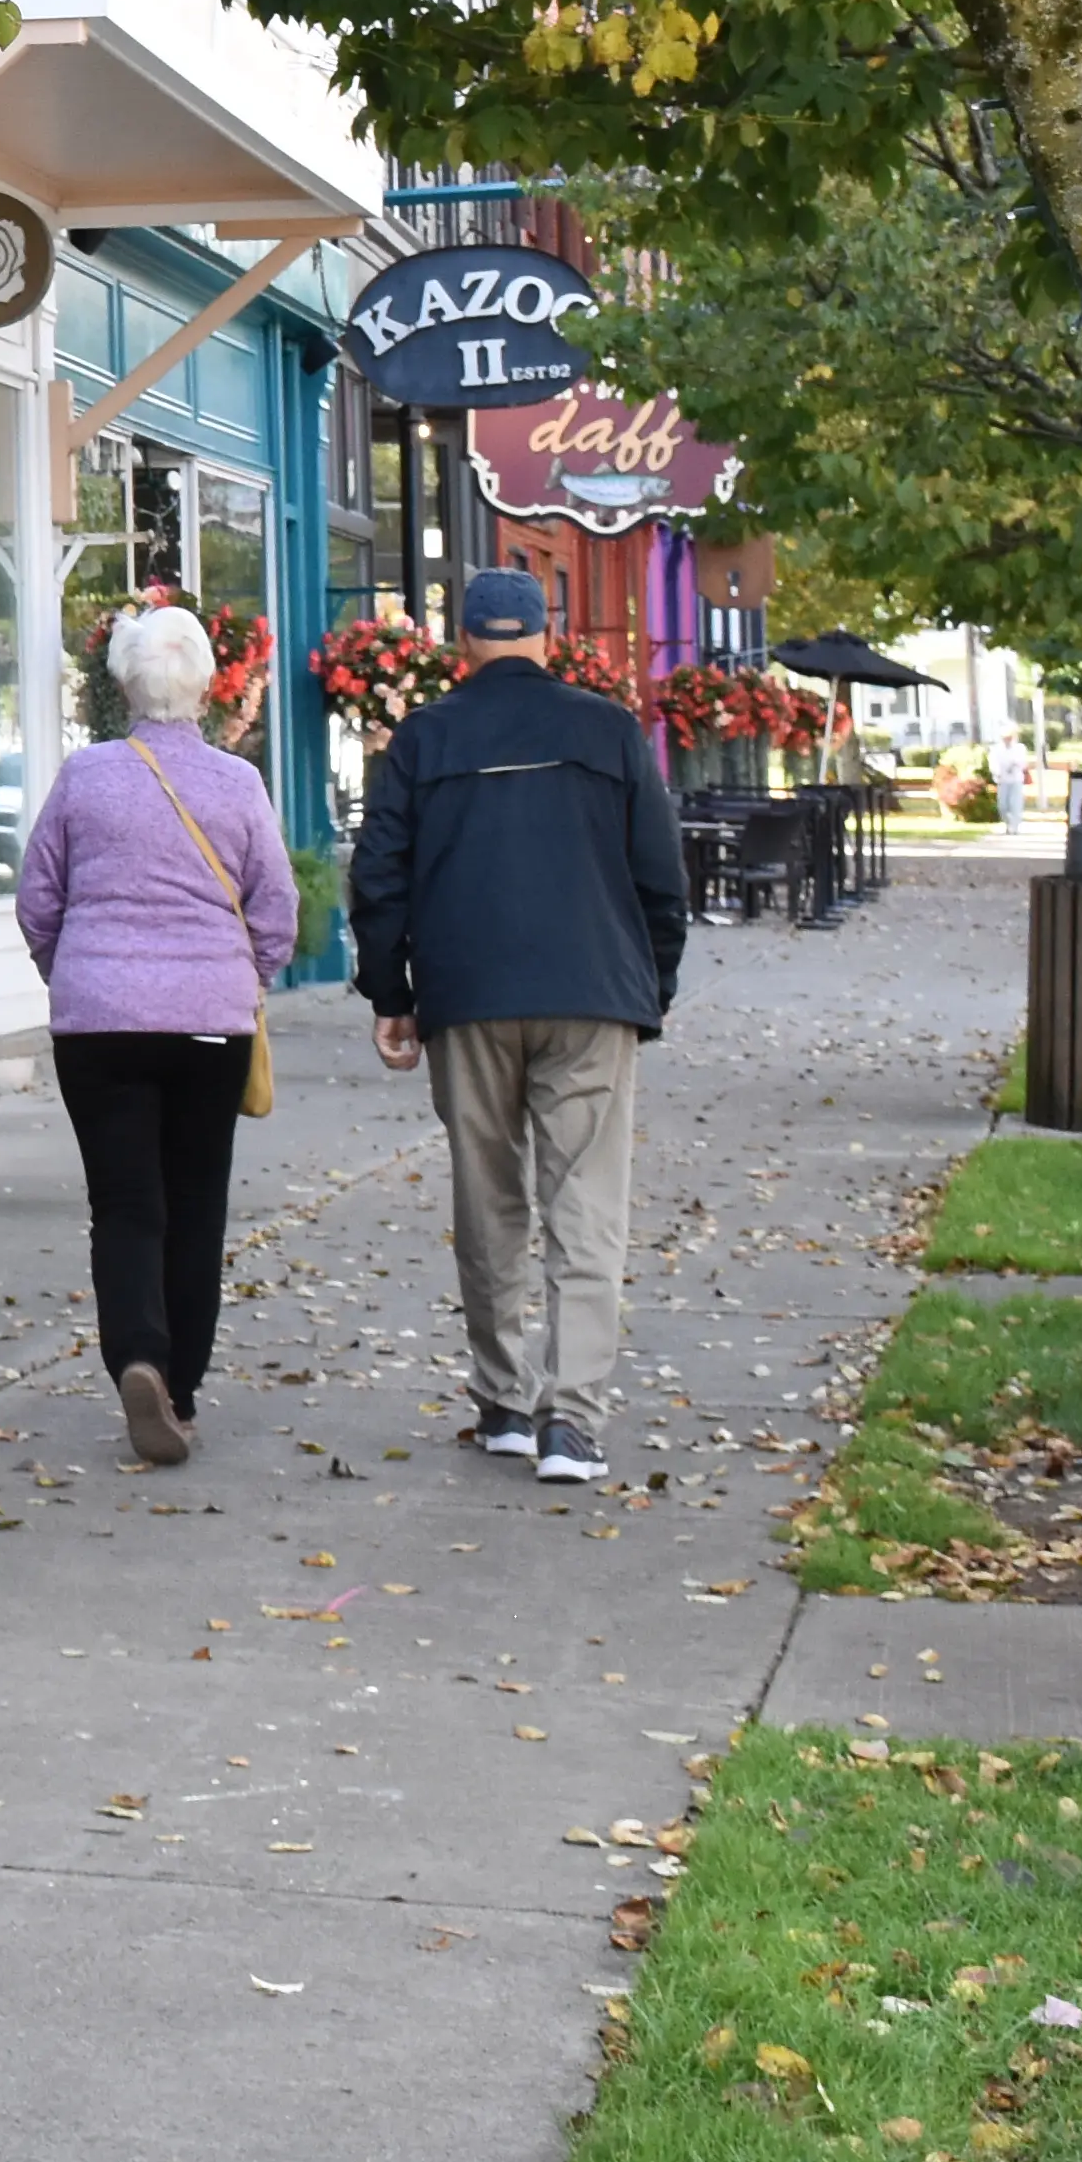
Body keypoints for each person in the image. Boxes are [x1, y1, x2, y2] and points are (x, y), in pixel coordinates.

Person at [347, 564, 685, 1485]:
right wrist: (653, 983)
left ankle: (501, 1401)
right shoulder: (611, 730)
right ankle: (570, 1421)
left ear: (466, 644)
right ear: (547, 637)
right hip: (592, 992)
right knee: (586, 1204)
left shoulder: (424, 737)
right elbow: (662, 876)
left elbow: (379, 876)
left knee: (488, 1197)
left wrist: (392, 994)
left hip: (469, 993)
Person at [13, 601, 301, 1466]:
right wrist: (249, 977)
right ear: (208, 683)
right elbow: (275, 908)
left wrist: (77, 971)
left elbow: (37, 898)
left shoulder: (85, 776)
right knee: (196, 1202)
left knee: (125, 1204)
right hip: (208, 1024)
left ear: (124, 686)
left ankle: (136, 1353)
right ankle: (178, 1390)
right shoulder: (237, 784)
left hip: (98, 1023)